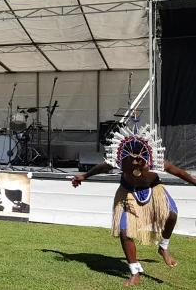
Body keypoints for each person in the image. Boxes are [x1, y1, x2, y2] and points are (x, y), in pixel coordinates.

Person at [71, 121, 196, 286]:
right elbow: (102, 167)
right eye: (133, 158)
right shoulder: (121, 160)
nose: (136, 163)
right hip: (128, 193)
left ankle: (163, 247)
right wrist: (84, 176)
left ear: (147, 154)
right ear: (126, 153)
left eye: (140, 159)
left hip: (154, 191)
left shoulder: (156, 161)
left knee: (172, 214)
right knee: (124, 232)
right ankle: (135, 271)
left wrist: (194, 181)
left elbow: (178, 172)